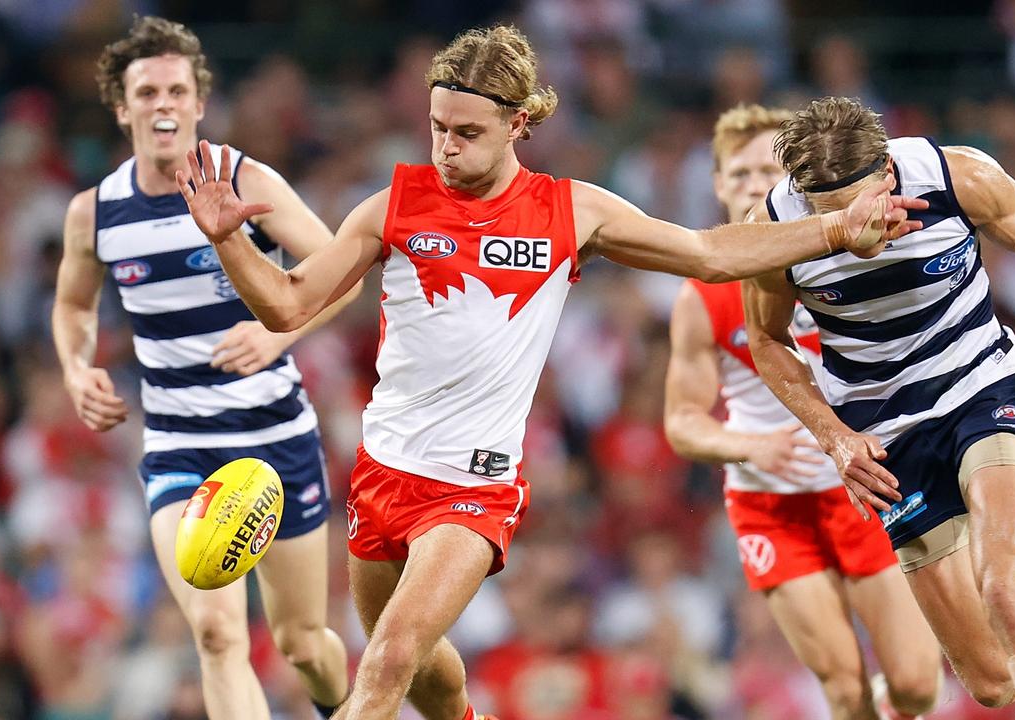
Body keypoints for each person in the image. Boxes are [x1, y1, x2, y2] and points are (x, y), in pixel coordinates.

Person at [175, 26, 927, 720]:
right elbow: (287, 304)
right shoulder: (393, 205)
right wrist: (229, 244)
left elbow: (706, 253)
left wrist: (832, 228)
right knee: (429, 681)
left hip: (475, 485)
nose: (447, 148)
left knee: (391, 656)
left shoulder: (571, 212)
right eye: (438, 128)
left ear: (519, 124)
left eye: (467, 133)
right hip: (382, 472)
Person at [743, 96, 1015, 720]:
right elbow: (768, 341)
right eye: (831, 217)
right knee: (991, 682)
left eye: (860, 208)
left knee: (1007, 594)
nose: (851, 231)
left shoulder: (957, 176)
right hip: (885, 434)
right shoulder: (776, 228)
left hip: (982, 388)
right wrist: (833, 437)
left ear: (886, 172)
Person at [51, 16, 357, 720]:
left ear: (198, 103)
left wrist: (278, 335)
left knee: (302, 642)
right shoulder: (94, 213)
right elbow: (73, 306)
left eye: (177, 90)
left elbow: (341, 271)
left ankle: (346, 710)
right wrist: (75, 369)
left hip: (274, 433)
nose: (164, 103)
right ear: (122, 107)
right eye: (147, 90)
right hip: (179, 443)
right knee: (217, 633)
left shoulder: (244, 179)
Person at [663, 104, 942, 720]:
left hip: (863, 487)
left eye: (767, 170)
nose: (752, 184)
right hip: (771, 505)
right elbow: (681, 422)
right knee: (841, 688)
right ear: (717, 184)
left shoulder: (844, 260)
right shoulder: (699, 297)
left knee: (919, 686)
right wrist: (749, 447)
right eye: (738, 173)